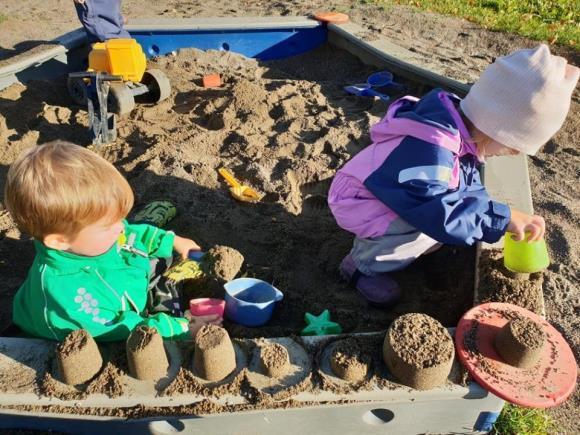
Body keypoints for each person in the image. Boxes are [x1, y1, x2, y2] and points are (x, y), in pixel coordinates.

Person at [328, 45, 579, 307]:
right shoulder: (432, 152)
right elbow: (437, 211)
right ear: (497, 126)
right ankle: (360, 267)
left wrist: (499, 214)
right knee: (419, 228)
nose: (514, 154)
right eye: (514, 146)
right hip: (356, 199)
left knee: (441, 222)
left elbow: (468, 184)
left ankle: (394, 246)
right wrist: (499, 220)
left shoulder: (462, 127)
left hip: (387, 189)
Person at [4, 140, 212, 341]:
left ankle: (148, 225)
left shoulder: (92, 238)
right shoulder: (71, 300)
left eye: (118, 218)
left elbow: (129, 233)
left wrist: (171, 240)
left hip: (120, 276)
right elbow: (125, 328)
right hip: (109, 322)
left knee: (142, 241)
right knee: (163, 296)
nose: (121, 226)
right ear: (60, 241)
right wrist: (181, 328)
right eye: (108, 224)